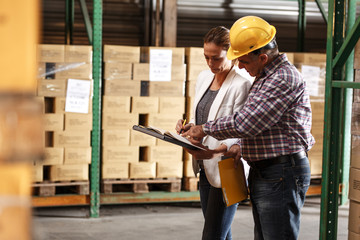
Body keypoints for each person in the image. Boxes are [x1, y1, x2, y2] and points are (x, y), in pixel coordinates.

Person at [183, 16, 315, 240]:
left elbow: (247, 122)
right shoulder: (265, 76)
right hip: (267, 170)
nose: (240, 66)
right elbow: (267, 125)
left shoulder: (282, 78)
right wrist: (240, 146)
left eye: (243, 61)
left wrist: (204, 129)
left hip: (281, 171)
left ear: (263, 57)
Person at [176, 26, 252, 240]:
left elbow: (242, 129)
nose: (210, 64)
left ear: (231, 54)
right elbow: (201, 117)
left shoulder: (241, 84)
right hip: (204, 165)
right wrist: (187, 126)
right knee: (220, 232)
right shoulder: (203, 77)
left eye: (216, 58)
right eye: (206, 57)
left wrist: (216, 151)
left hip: (227, 166)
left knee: (212, 234)